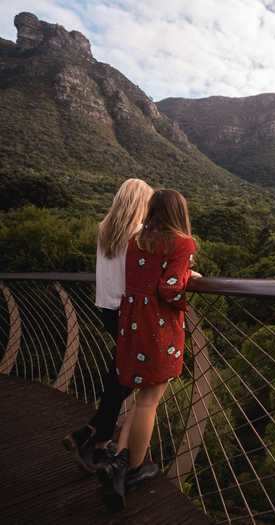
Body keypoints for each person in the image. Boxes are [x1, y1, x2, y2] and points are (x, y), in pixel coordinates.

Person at [97, 189, 198, 511]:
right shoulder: (183, 243)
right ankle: (134, 470)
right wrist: (186, 276)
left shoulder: (136, 240)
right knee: (150, 400)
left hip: (131, 322)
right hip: (158, 326)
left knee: (140, 395)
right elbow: (169, 289)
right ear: (179, 213)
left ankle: (118, 459)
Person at [62, 178, 153, 472]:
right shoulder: (139, 234)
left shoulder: (105, 229)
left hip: (107, 309)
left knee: (120, 372)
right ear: (142, 203)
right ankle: (97, 441)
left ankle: (92, 435)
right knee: (126, 377)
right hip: (129, 313)